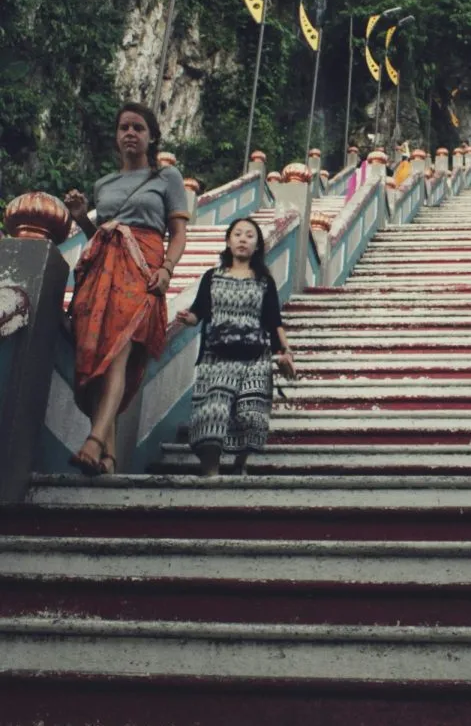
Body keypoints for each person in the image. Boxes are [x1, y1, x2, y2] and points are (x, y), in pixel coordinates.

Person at [63, 104, 189, 475]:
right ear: (117, 137)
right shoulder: (104, 184)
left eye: (138, 127)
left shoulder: (167, 177)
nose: (130, 133)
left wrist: (167, 269)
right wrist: (82, 217)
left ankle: (95, 439)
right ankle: (109, 457)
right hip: (101, 273)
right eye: (123, 128)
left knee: (118, 352)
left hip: (142, 268)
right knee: (97, 356)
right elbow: (98, 237)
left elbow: (179, 233)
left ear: (152, 137)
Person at [176, 217, 296, 476]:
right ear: (228, 242)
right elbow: (200, 311)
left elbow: (273, 320)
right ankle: (211, 472)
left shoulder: (264, 280)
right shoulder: (212, 277)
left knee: (250, 415)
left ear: (257, 246)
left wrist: (284, 351)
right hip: (217, 357)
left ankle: (241, 462)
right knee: (213, 412)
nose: (243, 239)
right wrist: (189, 319)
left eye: (250, 236)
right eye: (238, 234)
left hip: (255, 357)